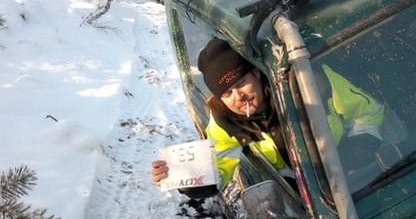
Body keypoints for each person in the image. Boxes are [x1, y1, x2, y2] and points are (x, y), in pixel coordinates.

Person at [151, 39, 389, 194]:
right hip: (305, 198)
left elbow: (369, 112)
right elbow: (218, 166)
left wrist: (353, 154)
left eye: (241, 83)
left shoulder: (309, 84)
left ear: (256, 73)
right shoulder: (225, 121)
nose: (239, 97)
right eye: (227, 93)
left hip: (358, 178)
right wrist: (181, 176)